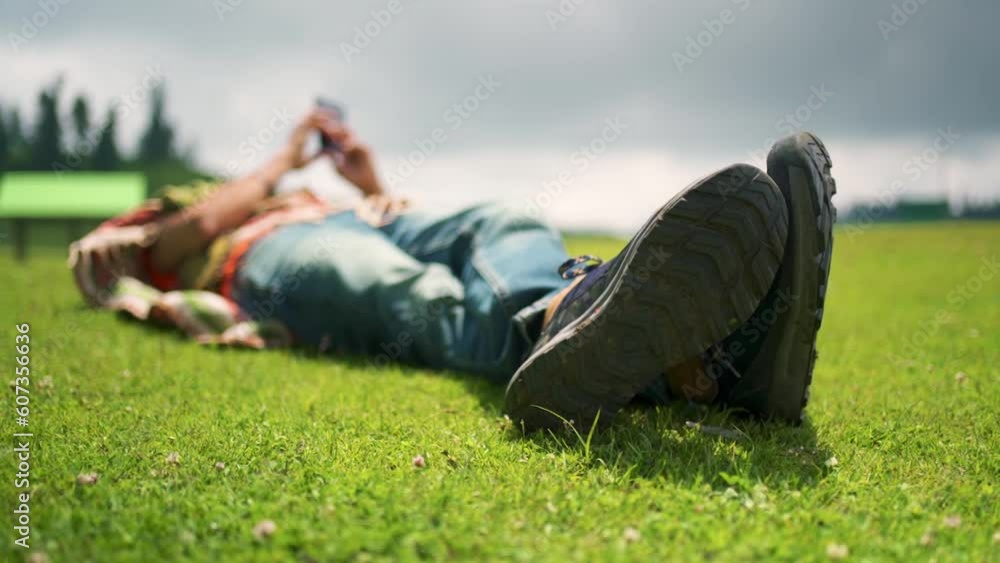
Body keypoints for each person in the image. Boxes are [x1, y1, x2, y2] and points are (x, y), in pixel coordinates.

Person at [69, 108, 836, 431]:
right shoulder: (180, 213)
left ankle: (593, 315)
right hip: (266, 256)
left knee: (505, 219)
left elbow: (386, 205)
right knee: (409, 293)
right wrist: (285, 155)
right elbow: (196, 231)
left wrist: (366, 183)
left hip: (365, 212)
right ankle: (705, 356)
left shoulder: (328, 191)